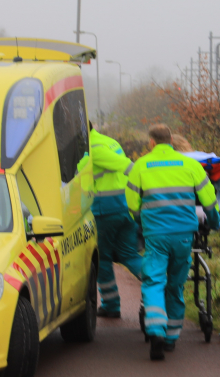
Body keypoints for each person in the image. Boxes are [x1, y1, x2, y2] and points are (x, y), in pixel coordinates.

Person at [126, 124, 220, 360]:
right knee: (176, 286)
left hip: (156, 236)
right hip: (183, 235)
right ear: (170, 140)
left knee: (153, 281)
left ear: (151, 142)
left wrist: (141, 220)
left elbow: (132, 204)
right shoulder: (190, 165)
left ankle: (156, 329)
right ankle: (171, 338)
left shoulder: (140, 166)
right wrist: (215, 221)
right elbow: (209, 199)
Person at [89, 122, 143, 318]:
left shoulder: (91, 148)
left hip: (105, 210)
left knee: (102, 258)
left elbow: (128, 166)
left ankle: (111, 305)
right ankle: (158, 284)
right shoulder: (109, 141)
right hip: (124, 207)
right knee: (129, 254)